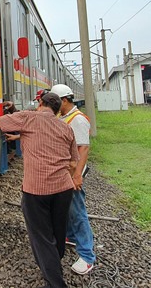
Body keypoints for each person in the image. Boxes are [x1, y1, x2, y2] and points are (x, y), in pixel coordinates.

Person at [0, 92, 79, 288]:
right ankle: (53, 263)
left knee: (41, 237)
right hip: (64, 189)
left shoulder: (28, 118)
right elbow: (73, 163)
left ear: (40, 103)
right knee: (58, 230)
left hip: (36, 190)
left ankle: (55, 282)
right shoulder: (66, 127)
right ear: (56, 109)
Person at [51, 83, 96, 275]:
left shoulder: (77, 120)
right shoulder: (65, 116)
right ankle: (70, 236)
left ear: (65, 100)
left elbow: (83, 149)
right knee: (68, 208)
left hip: (72, 173)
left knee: (77, 212)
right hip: (66, 172)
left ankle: (87, 256)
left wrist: (77, 175)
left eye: (56, 101)